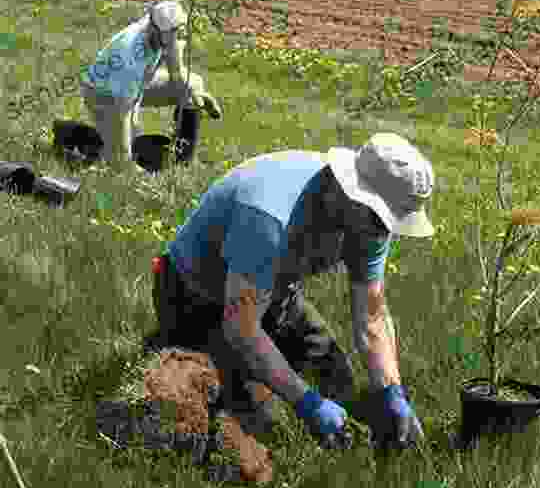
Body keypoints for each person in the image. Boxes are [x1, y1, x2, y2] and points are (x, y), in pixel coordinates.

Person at [148, 133, 434, 451]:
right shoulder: (270, 213)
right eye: (379, 219)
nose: (381, 233)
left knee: (337, 380)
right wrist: (307, 403)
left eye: (389, 223)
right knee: (261, 420)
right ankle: (175, 348)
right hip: (196, 297)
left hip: (272, 294)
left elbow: (372, 315)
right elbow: (241, 328)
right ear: (352, 191)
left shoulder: (369, 222)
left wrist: (392, 391)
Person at [79, 0, 222, 168]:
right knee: (121, 162)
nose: (180, 34)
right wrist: (127, 156)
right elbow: (123, 109)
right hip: (104, 95)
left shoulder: (162, 31)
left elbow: (177, 77)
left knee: (195, 82)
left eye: (180, 29)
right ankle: (82, 144)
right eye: (175, 32)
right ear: (156, 30)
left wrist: (196, 95)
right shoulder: (129, 56)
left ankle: (183, 158)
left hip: (137, 85)